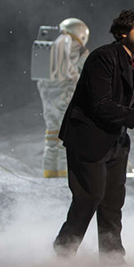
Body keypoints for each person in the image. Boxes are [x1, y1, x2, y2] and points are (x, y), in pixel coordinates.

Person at [53, 9, 134, 263]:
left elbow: (130, 106)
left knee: (113, 202)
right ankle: (63, 251)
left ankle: (113, 257)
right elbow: (100, 105)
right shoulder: (102, 58)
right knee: (88, 197)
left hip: (117, 139)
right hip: (88, 138)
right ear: (123, 33)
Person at [36, 18, 90, 178]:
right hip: (65, 94)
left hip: (48, 96)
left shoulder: (51, 46)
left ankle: (50, 171)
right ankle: (65, 171)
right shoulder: (77, 48)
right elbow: (88, 69)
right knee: (67, 134)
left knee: (52, 133)